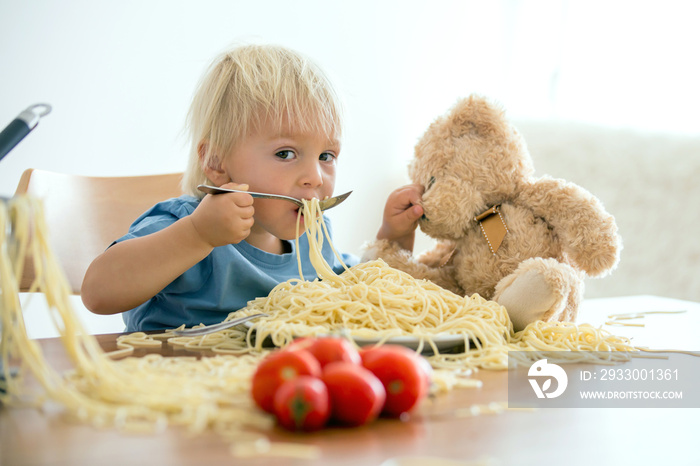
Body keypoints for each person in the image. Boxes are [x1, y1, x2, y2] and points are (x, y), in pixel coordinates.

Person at [81, 44, 424, 332]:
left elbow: (367, 293)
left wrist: (393, 238)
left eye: (326, 155)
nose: (316, 177)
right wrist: (197, 235)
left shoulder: (315, 235)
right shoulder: (187, 224)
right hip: (176, 390)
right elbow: (98, 292)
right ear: (216, 163)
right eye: (285, 153)